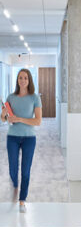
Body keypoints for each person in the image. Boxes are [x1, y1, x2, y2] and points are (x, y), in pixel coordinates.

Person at [1, 68, 42, 212]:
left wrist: (19, 119)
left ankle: (22, 200)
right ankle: (15, 183)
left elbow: (37, 121)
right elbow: (4, 119)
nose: (22, 80)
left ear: (29, 80)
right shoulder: (10, 97)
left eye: (25, 78)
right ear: (17, 80)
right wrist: (4, 114)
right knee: (13, 169)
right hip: (12, 137)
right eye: (20, 78)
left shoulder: (35, 98)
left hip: (29, 138)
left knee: (25, 170)